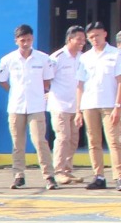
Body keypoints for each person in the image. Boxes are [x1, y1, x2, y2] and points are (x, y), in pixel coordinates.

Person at [0, 24, 55, 190]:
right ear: (16, 41)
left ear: (33, 39)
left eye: (29, 39)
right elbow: (2, 80)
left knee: (40, 141)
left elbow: (47, 80)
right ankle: (18, 175)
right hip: (16, 106)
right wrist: (14, 91)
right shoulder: (8, 59)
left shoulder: (43, 58)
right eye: (22, 40)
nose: (26, 43)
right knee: (17, 143)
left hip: (36, 105)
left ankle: (49, 176)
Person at [76, 20, 121, 190]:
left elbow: (119, 81)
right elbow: (80, 85)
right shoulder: (85, 57)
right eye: (91, 37)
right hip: (89, 104)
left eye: (97, 35)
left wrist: (118, 105)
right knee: (93, 142)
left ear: (105, 34)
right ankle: (99, 176)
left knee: (114, 141)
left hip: (110, 104)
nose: (94, 39)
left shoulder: (116, 54)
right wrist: (78, 110)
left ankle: (118, 176)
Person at [47, 25, 86, 186]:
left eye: (84, 40)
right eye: (79, 39)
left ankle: (68, 170)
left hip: (76, 106)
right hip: (59, 105)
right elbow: (47, 79)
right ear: (70, 39)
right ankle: (58, 172)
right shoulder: (57, 57)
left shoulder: (83, 57)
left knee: (73, 139)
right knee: (62, 138)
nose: (82, 42)